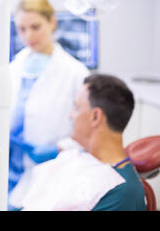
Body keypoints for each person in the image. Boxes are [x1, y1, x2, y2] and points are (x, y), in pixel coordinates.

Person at [7, 0, 89, 210]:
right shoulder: (14, 67)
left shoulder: (75, 73)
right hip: (9, 172)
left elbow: (90, 133)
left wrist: (59, 149)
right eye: (22, 29)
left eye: (35, 27)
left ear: (52, 21)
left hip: (50, 172)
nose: (28, 35)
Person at [20, 74, 146, 211]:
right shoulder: (81, 159)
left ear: (95, 117)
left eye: (77, 108)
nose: (71, 116)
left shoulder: (122, 194)